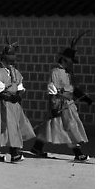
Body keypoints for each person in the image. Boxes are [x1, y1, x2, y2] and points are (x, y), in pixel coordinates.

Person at [30, 33, 93, 162]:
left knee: (49, 126)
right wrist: (54, 106)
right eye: (70, 62)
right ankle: (78, 153)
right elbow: (52, 90)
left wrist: (84, 97)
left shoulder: (68, 73)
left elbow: (73, 88)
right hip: (61, 105)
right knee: (70, 127)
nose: (72, 65)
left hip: (69, 104)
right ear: (64, 60)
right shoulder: (55, 72)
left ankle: (37, 147)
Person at [0, 39, 35, 162]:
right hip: (3, 104)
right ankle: (15, 153)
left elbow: (20, 87)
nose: (11, 61)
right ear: (3, 59)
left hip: (14, 104)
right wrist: (9, 96)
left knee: (13, 127)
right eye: (8, 58)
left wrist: (18, 95)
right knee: (6, 127)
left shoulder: (16, 73)